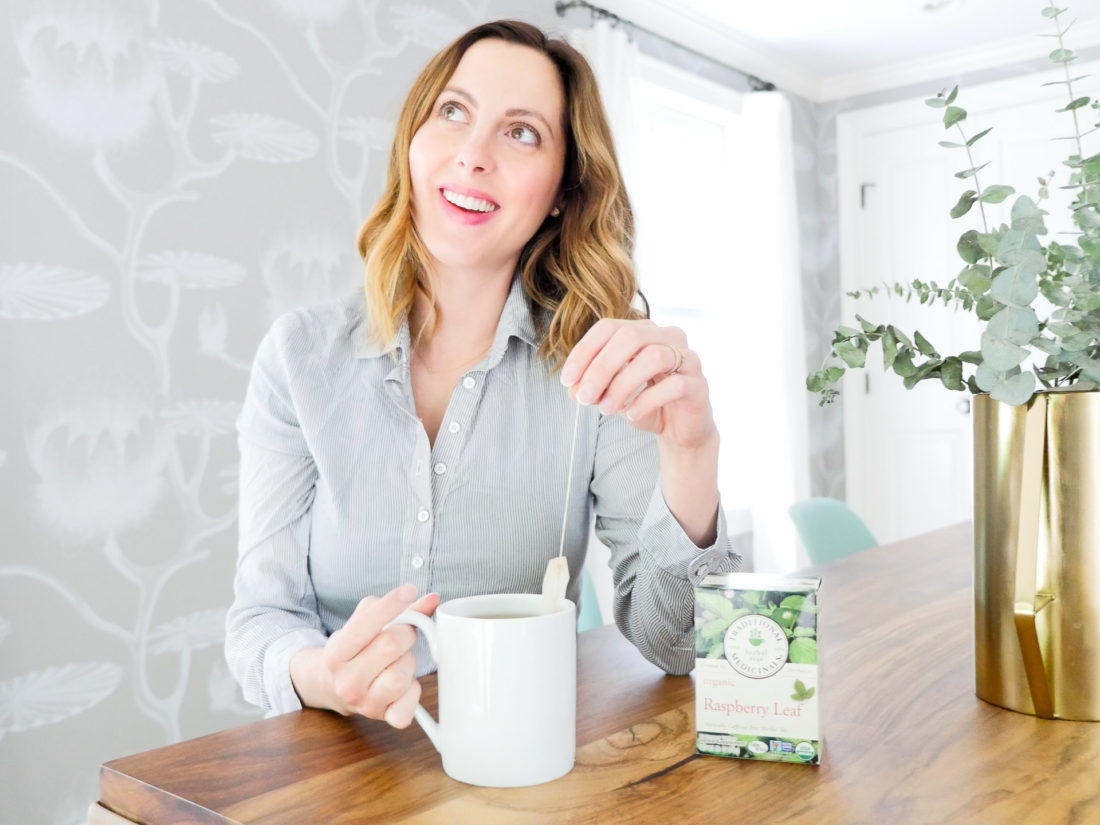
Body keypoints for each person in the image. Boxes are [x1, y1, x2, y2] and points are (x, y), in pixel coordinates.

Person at [226, 19, 740, 727]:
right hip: (334, 772)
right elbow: (260, 618)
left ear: (563, 189)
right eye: (454, 112)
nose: (473, 155)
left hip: (519, 762)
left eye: (521, 132)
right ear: (414, 140)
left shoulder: (598, 370)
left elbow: (678, 645)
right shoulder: (298, 358)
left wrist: (691, 455)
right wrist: (324, 674)